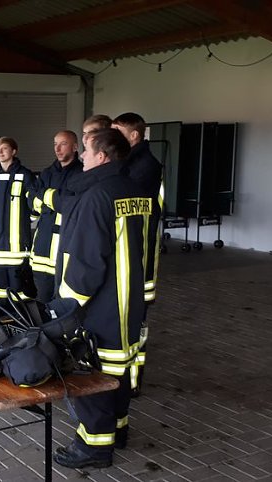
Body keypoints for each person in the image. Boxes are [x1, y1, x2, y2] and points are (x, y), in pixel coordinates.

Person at [51, 128, 151, 469]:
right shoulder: (136, 192)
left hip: (102, 306)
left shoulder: (97, 196)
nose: (81, 157)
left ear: (103, 157)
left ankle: (93, 447)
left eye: (87, 152)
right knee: (119, 372)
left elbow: (87, 262)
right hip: (131, 303)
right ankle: (118, 431)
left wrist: (65, 305)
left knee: (91, 375)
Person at [112, 112, 163, 396]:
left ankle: (133, 381)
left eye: (117, 132)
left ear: (134, 136)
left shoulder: (144, 166)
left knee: (136, 322)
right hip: (130, 255)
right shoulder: (131, 162)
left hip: (139, 256)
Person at [29, 130, 83, 303]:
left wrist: (45, 196)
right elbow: (31, 201)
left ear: (75, 147)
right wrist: (55, 197)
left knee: (62, 303)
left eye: (63, 144)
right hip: (42, 250)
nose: (57, 149)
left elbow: (68, 205)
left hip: (64, 250)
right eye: (55, 144)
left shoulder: (82, 174)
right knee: (43, 301)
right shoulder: (46, 173)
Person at [0, 137, 37, 299]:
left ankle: (23, 322)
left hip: (17, 247)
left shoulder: (25, 175)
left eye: (4, 148)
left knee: (20, 293)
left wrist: (21, 222)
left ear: (14, 151)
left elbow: (35, 206)